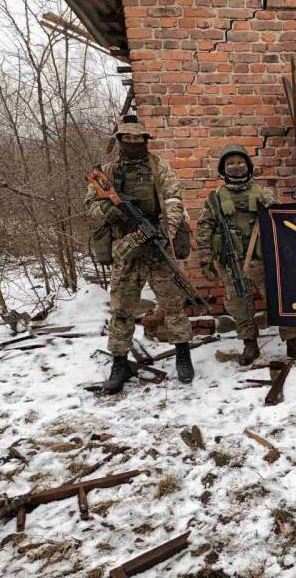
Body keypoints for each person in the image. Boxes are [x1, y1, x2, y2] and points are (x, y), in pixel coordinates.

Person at [85, 116, 195, 394]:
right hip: (127, 249)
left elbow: (173, 199)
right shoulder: (107, 171)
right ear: (120, 140)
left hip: (157, 244)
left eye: (138, 139)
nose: (134, 143)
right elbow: (91, 206)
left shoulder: (160, 167)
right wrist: (109, 210)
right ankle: (119, 363)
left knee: (173, 303)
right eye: (128, 139)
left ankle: (183, 353)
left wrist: (164, 229)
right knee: (122, 308)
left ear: (146, 140)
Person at [195, 145, 296, 366]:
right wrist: (205, 260)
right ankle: (250, 344)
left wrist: (272, 207)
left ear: (248, 166)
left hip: (264, 260)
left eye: (240, 162)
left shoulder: (263, 193)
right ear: (223, 169)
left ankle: (293, 342)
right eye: (230, 163)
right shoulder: (214, 199)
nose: (236, 166)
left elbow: (282, 221)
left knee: (281, 300)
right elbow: (204, 230)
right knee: (240, 305)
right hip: (232, 263)